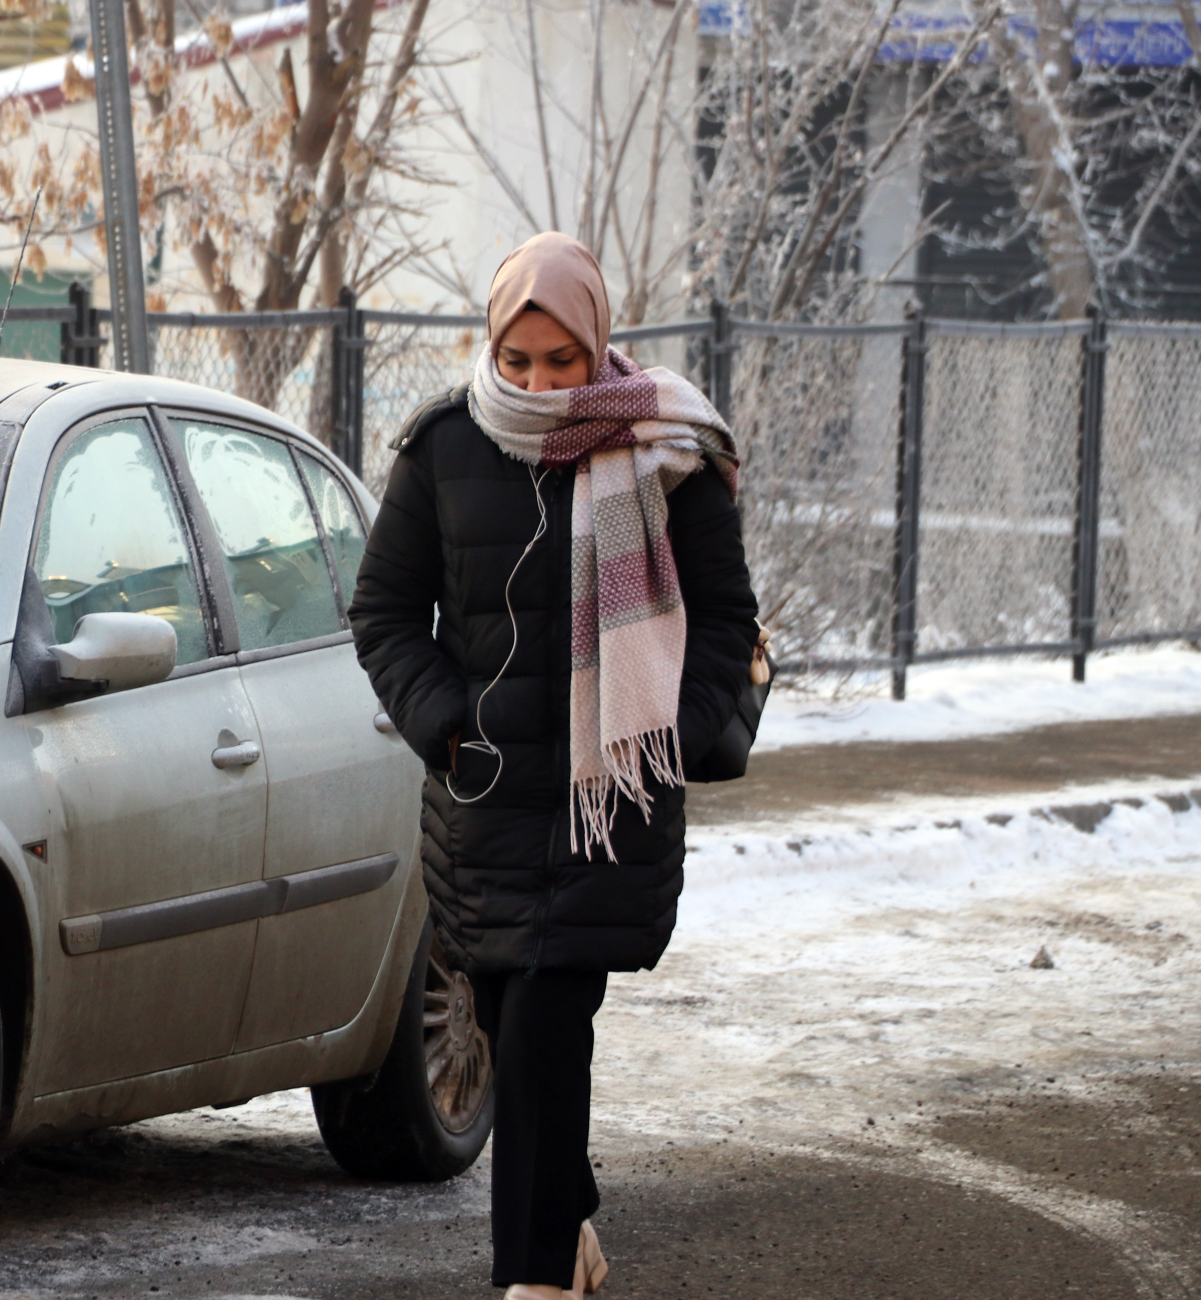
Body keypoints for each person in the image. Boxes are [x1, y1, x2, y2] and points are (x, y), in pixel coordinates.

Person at [348, 232, 759, 1299]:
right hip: (484, 804)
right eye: (517, 360)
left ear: (597, 344)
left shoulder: (662, 448)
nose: (537, 384)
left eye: (560, 361)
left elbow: (725, 620)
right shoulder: (443, 449)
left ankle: (532, 1279)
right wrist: (447, 726)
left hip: (607, 805)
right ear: (491, 348)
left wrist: (663, 732)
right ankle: (564, 1220)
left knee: (543, 1027)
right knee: (509, 1031)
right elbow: (384, 612)